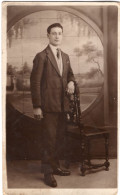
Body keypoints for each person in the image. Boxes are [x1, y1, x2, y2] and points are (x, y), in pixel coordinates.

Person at [30, 23, 75, 187]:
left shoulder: (66, 56)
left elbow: (71, 76)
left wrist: (71, 82)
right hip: (48, 106)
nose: (57, 36)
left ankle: (55, 167)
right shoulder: (42, 56)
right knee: (48, 140)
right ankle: (48, 173)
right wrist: (37, 105)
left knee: (58, 139)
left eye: (60, 33)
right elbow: (35, 83)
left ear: (62, 35)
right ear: (48, 35)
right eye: (54, 33)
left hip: (63, 107)